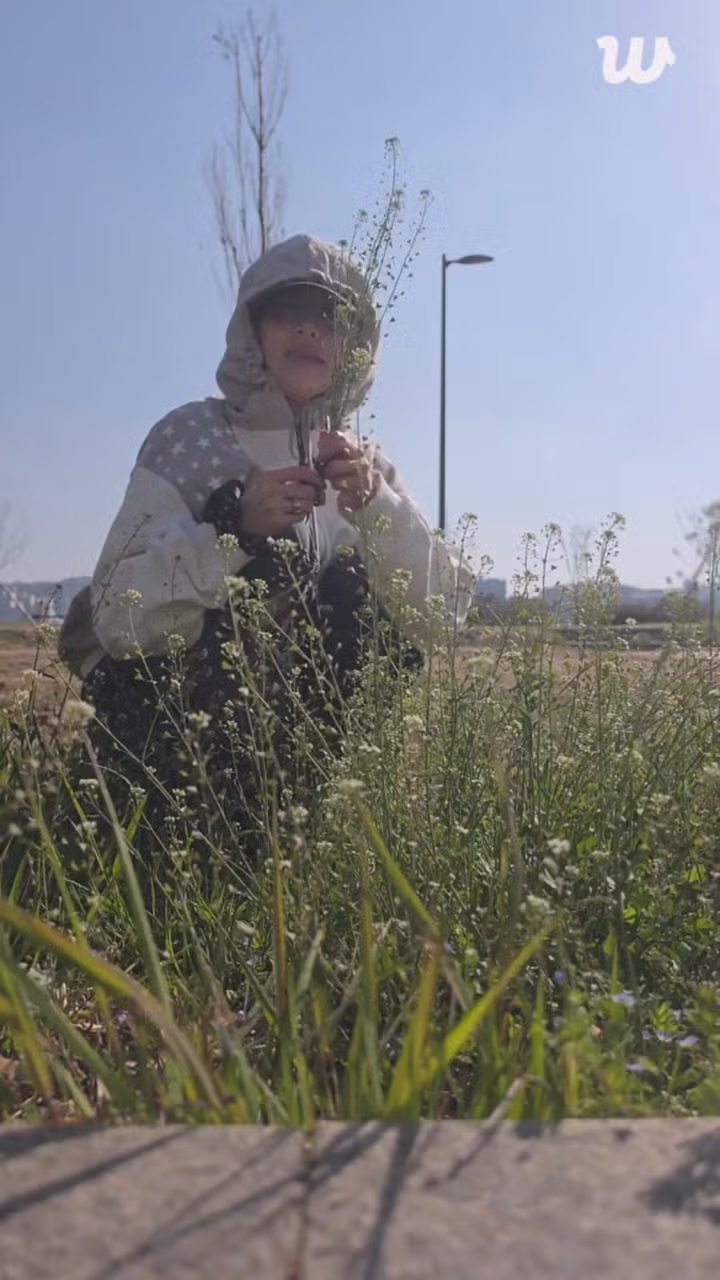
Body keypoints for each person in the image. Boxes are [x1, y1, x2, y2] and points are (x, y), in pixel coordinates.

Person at [59, 233, 475, 858]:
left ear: (353, 347)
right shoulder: (189, 438)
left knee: (352, 587)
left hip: (291, 767)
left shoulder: (363, 466)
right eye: (290, 311)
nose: (310, 330)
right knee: (271, 560)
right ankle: (143, 834)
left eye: (329, 318)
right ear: (251, 329)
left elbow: (441, 617)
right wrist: (236, 531)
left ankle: (282, 829)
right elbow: (118, 616)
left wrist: (375, 507)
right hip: (163, 745)